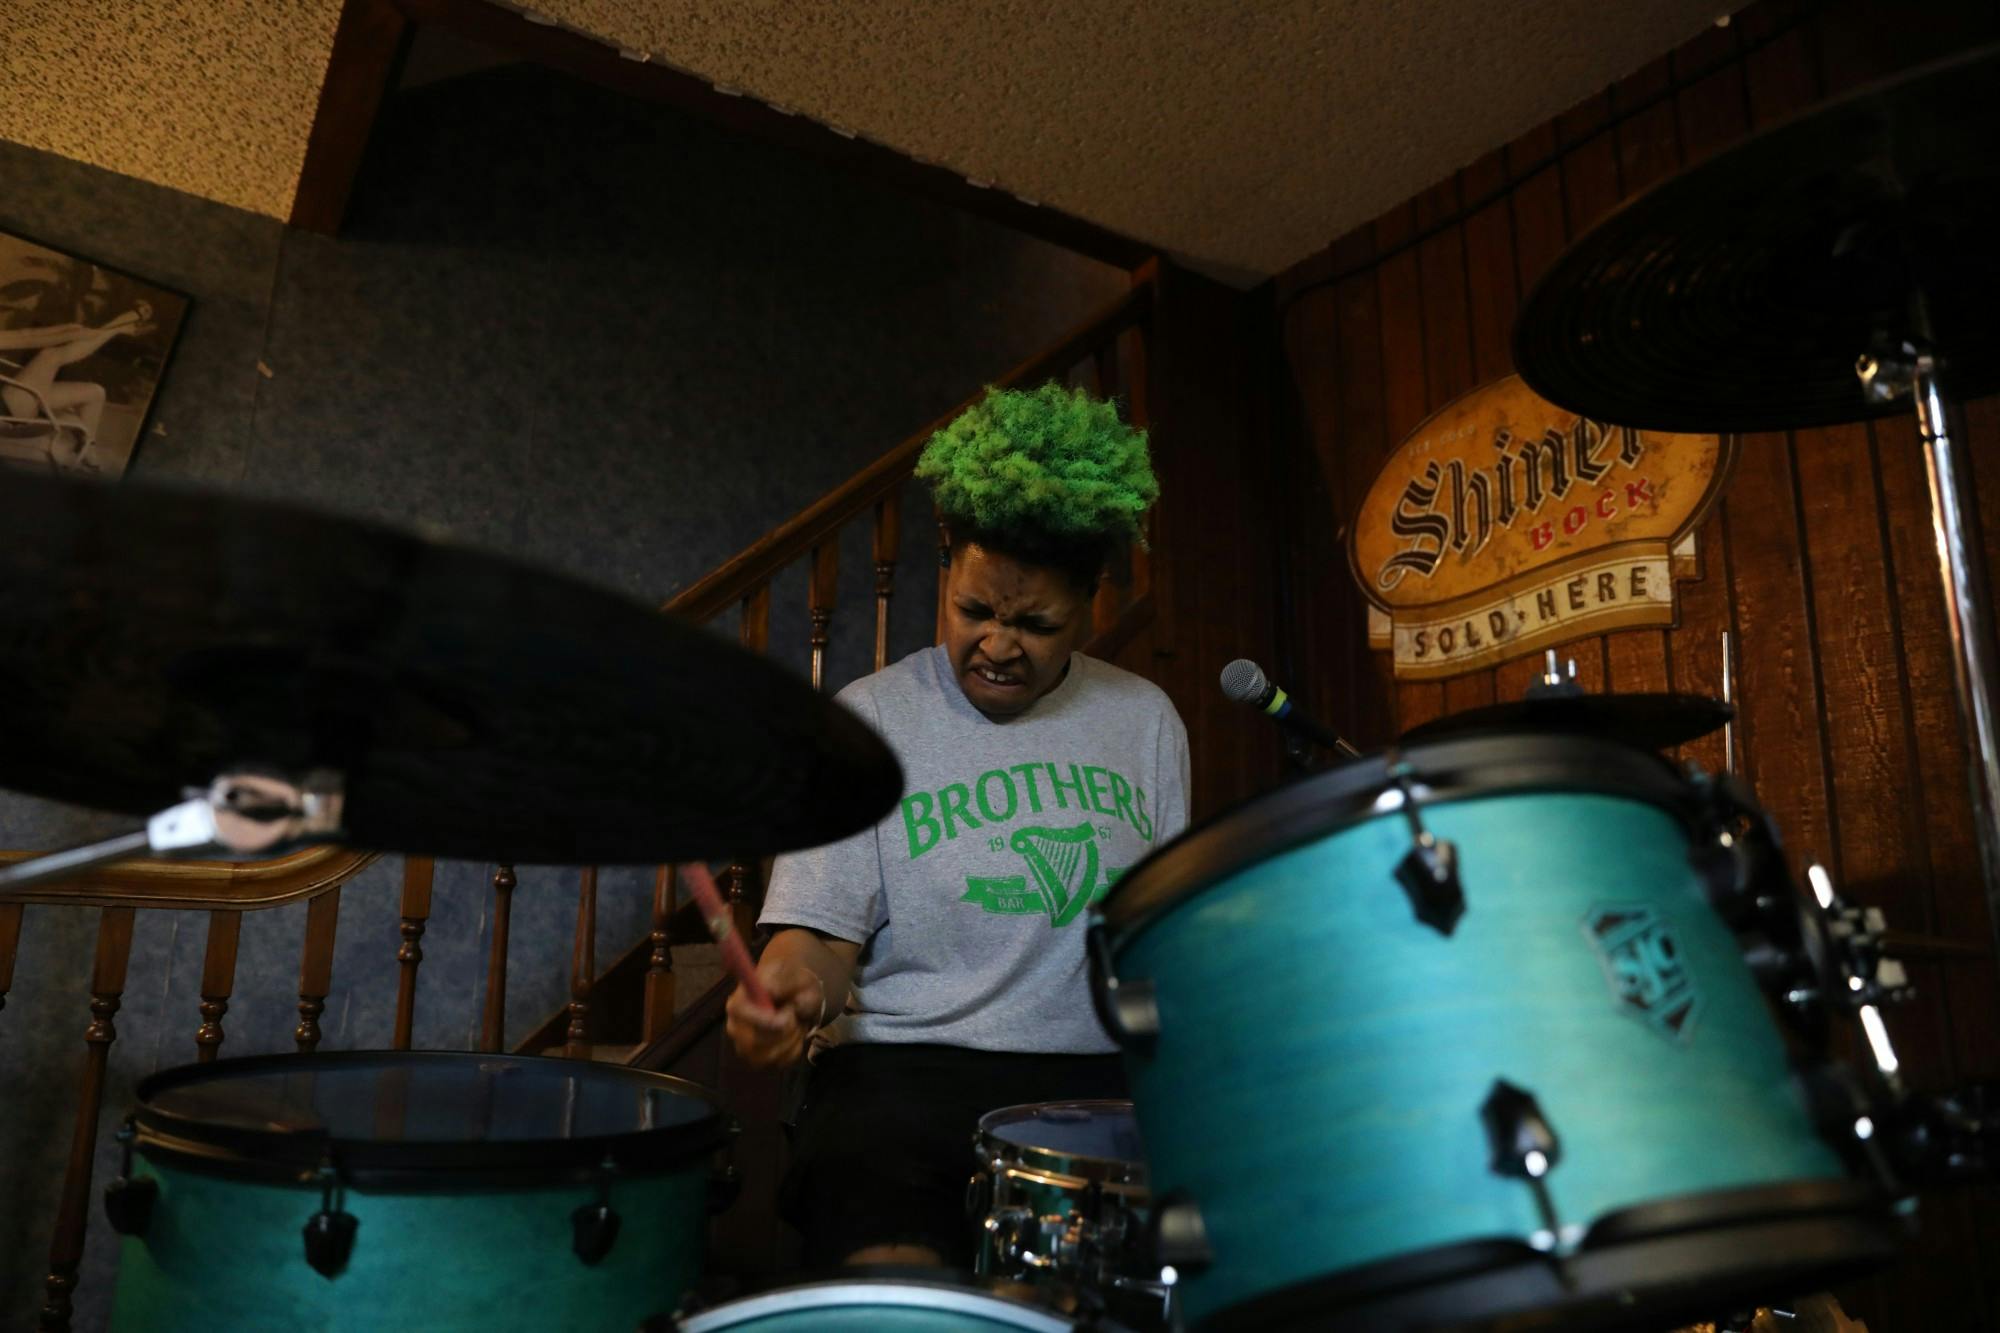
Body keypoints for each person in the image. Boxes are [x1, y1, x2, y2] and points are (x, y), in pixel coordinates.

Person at [724, 381, 1190, 1270]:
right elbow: (814, 945)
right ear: (945, 577)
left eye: (1037, 622)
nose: (1000, 644)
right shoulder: (867, 720)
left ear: (1089, 604)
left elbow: (1162, 942)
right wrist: (788, 990)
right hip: (902, 1074)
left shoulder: (1147, 722)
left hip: (1095, 1077)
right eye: (975, 610)